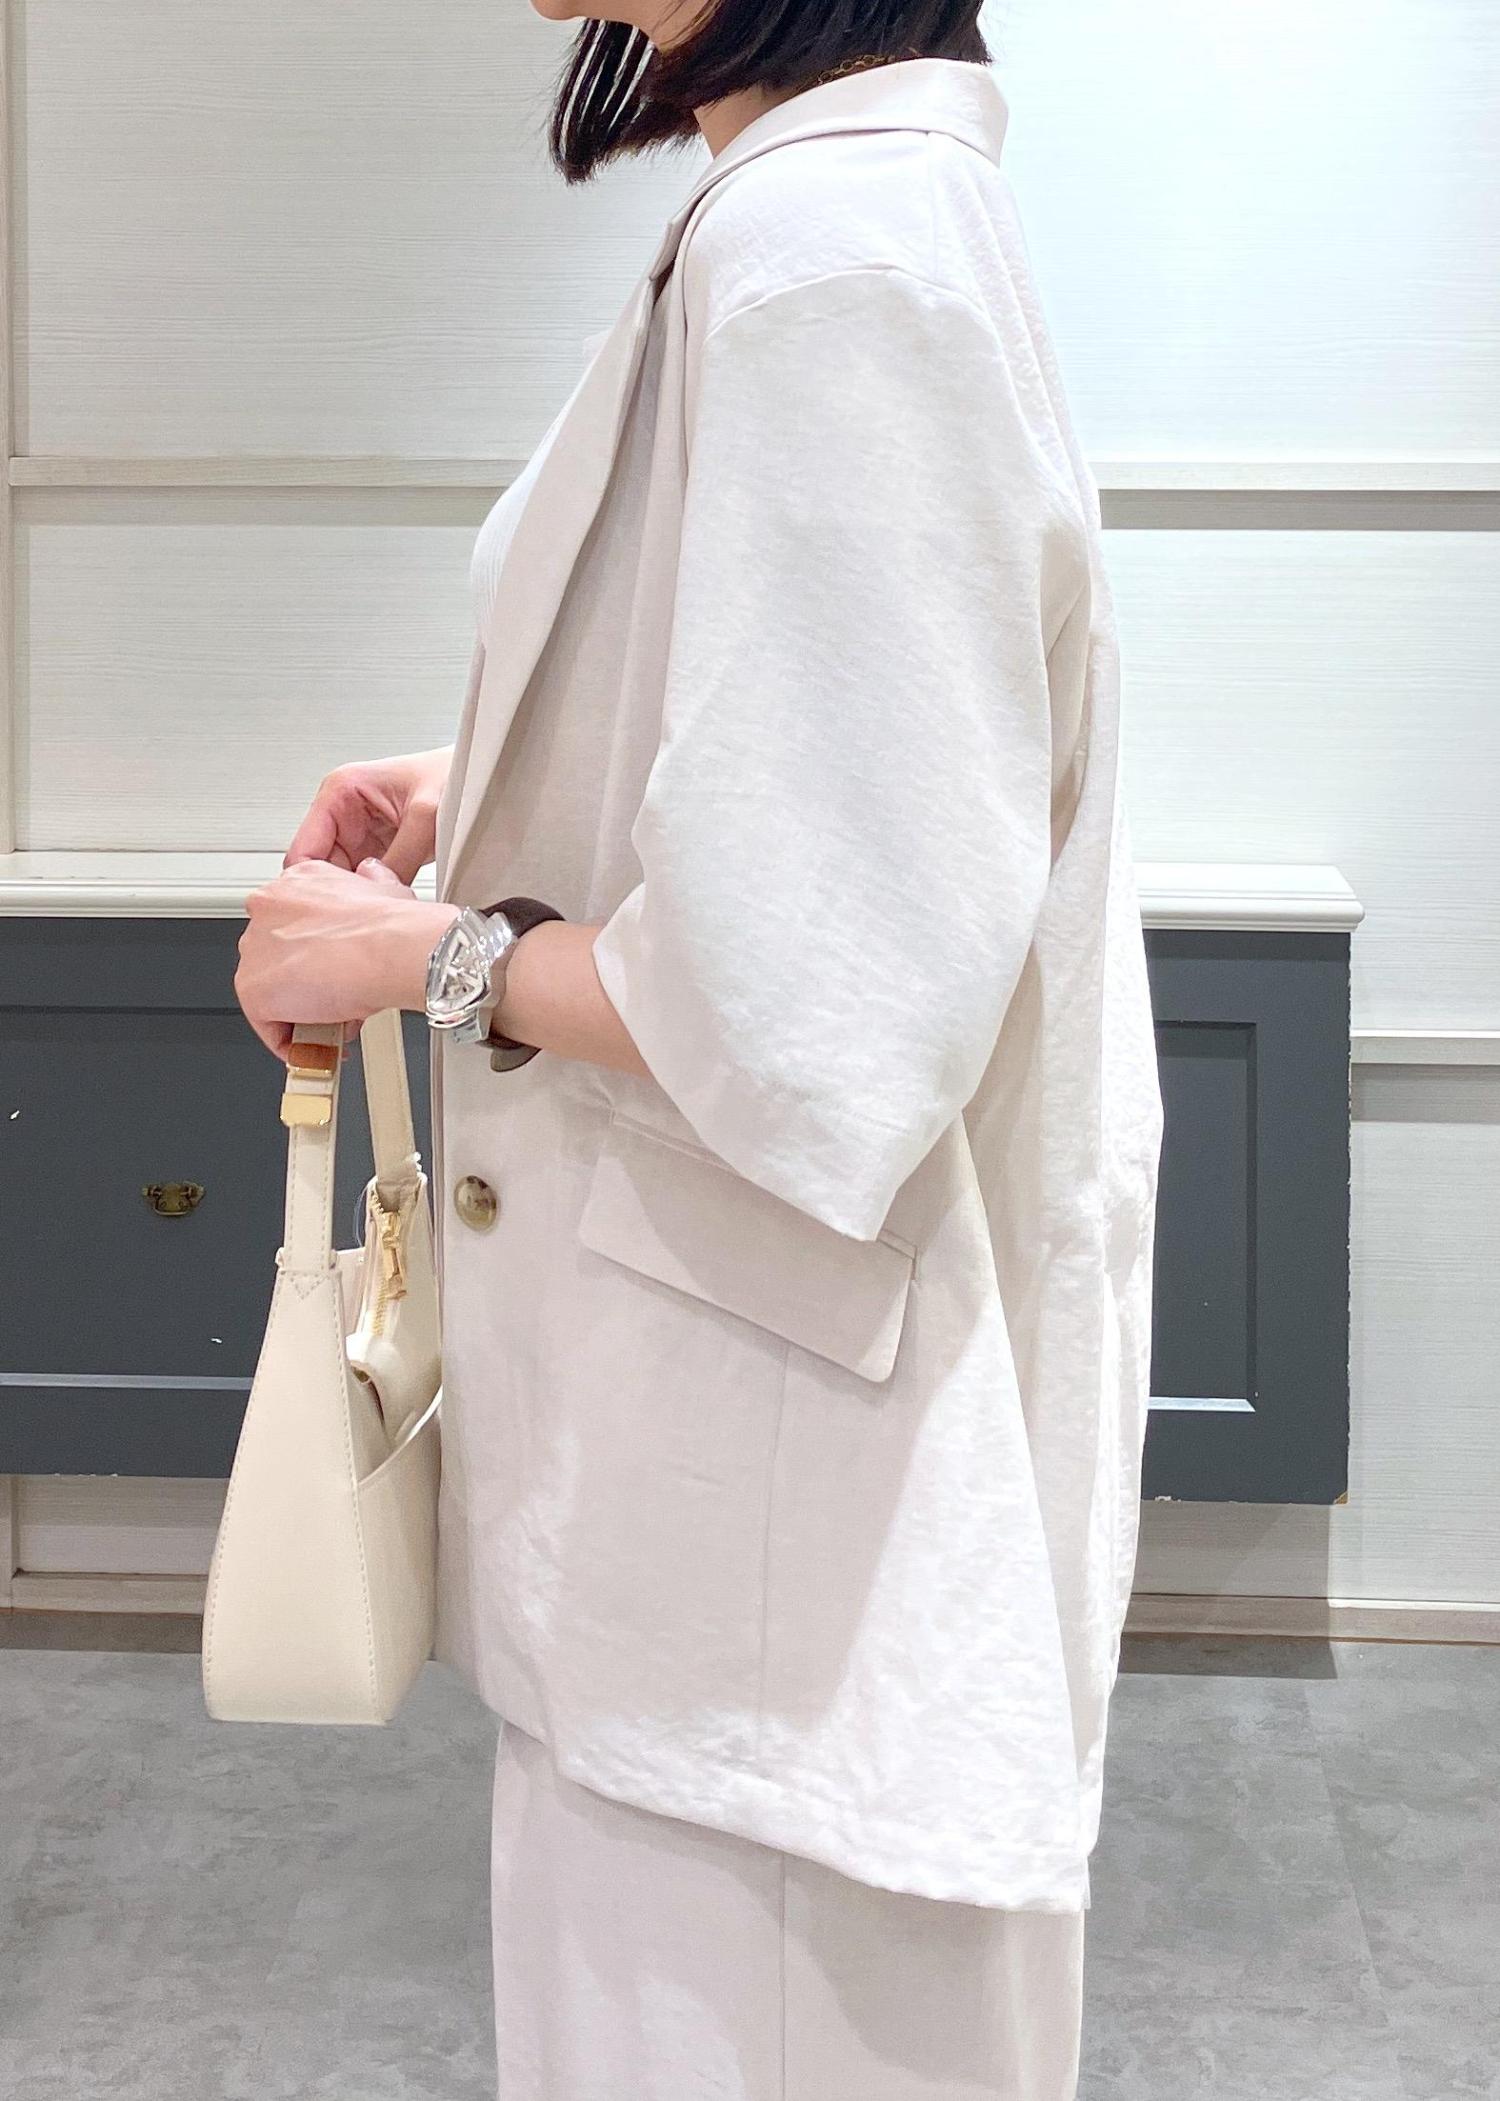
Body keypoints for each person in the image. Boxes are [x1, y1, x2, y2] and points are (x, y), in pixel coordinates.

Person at [234, 6, 1165, 2095]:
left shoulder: (831, 249)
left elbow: (821, 1001)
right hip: (725, 1517)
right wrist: (483, 784)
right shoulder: (821, 207)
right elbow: (822, 775)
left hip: (771, 1544)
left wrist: (429, 957)